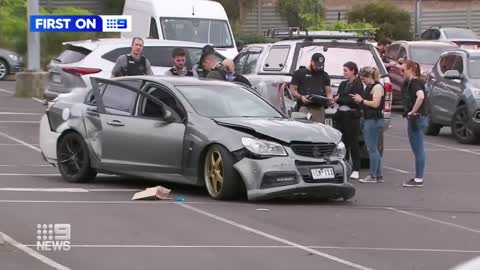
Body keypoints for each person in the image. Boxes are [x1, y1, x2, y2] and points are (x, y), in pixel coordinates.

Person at [351, 66, 385, 183]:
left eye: (363, 78)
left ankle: (372, 175)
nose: (363, 81)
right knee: (374, 148)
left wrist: (361, 100)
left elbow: (376, 104)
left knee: (372, 149)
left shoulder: (376, 87)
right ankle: (379, 175)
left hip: (373, 120)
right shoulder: (372, 86)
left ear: (370, 77)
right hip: (371, 119)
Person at [334, 62, 364, 180]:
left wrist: (341, 99)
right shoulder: (343, 84)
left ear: (353, 71)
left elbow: (352, 100)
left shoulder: (358, 84)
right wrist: (340, 99)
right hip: (341, 115)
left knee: (353, 142)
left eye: (346, 70)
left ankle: (356, 168)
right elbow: (339, 97)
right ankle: (344, 165)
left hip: (351, 116)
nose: (344, 73)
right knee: (342, 142)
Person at [401, 60, 427, 188]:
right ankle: (418, 177)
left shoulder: (415, 82)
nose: (401, 73)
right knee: (417, 148)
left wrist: (412, 111)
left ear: (411, 69)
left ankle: (418, 178)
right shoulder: (414, 82)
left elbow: (420, 96)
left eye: (403, 70)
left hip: (416, 118)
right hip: (418, 117)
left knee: (418, 149)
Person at [290, 53, 333, 123]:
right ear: (311, 61)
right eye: (316, 65)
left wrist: (330, 100)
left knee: (319, 130)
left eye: (320, 65)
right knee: (305, 128)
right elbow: (292, 90)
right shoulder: (299, 73)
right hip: (305, 107)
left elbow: (328, 92)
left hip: (319, 108)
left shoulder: (324, 75)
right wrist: (301, 97)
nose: (318, 67)